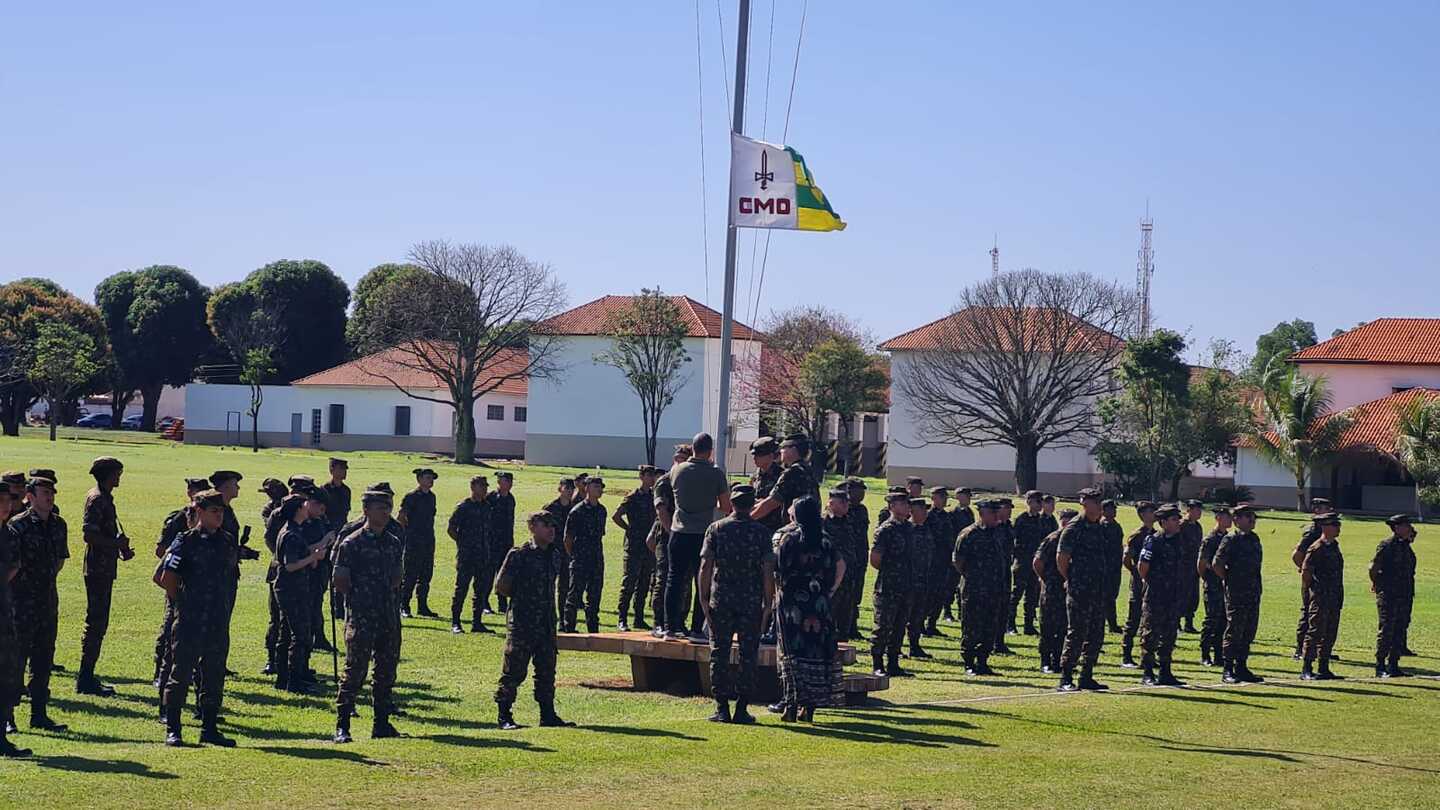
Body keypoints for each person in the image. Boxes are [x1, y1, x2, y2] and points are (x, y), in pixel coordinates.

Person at [157, 489, 235, 747]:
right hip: (190, 618)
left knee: (214, 673)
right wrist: (181, 601)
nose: (219, 516)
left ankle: (209, 727)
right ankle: (173, 727)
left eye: (221, 511)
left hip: (217, 618)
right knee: (181, 673)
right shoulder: (185, 541)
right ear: (199, 512)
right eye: (214, 511)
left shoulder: (226, 541)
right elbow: (166, 577)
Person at [699, 484, 775, 724]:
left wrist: (703, 597)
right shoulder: (762, 533)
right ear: (752, 505)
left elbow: (705, 566)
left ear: (732, 503)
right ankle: (742, 708)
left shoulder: (716, 529)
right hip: (751, 601)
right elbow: (767, 571)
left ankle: (721, 707)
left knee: (719, 653)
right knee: (748, 654)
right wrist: (768, 603)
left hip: (721, 599)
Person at [333, 489, 405, 743]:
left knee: (386, 671)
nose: (386, 513)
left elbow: (398, 577)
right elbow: (340, 580)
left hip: (388, 615)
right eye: (379, 508)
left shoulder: (393, 542)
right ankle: (343, 725)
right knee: (355, 671)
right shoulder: (351, 543)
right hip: (362, 616)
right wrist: (360, 598)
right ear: (366, 511)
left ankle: (381, 723)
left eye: (388, 508)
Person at [494, 511, 573, 730]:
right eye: (545, 525)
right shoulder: (519, 555)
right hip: (523, 622)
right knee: (514, 671)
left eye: (553, 525)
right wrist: (525, 601)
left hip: (546, 623)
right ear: (532, 527)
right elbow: (502, 586)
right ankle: (504, 715)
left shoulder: (555, 555)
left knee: (547, 670)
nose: (551, 529)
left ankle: (547, 714)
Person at [773, 495, 845, 722]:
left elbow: (777, 569)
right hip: (819, 604)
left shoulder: (789, 539)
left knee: (792, 654)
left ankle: (791, 706)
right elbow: (839, 567)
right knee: (816, 652)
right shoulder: (826, 541)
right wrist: (829, 591)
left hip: (792, 604)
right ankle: (809, 709)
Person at [9, 476, 69, 732]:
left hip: (47, 601)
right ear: (29, 497)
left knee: (44, 658)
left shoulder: (58, 525)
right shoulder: (17, 526)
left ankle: (39, 713)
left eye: (52, 493)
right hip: (21, 603)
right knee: (15, 661)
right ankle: (7, 717)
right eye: (44, 492)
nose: (49, 497)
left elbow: (59, 560)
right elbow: (11, 565)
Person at [664, 433, 732, 641]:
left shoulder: (677, 470)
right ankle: (697, 629)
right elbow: (726, 506)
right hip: (703, 533)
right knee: (702, 580)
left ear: (692, 448)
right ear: (710, 450)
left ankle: (671, 627)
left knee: (674, 579)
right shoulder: (716, 474)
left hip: (678, 531)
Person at [77, 456, 133, 697]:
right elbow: (89, 535)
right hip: (98, 570)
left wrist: (119, 547)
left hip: (104, 568)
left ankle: (87, 675)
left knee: (99, 623)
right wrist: (115, 543)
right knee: (96, 623)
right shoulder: (98, 499)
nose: (119, 477)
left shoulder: (104, 498)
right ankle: (85, 677)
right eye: (116, 473)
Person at [154, 478, 208, 707]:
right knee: (172, 655)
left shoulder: (213, 541)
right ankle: (166, 706)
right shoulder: (181, 541)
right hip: (182, 608)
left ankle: (201, 706)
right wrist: (179, 599)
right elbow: (160, 576)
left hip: (205, 610)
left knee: (203, 660)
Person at [272, 493, 330, 693]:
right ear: (298, 509)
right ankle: (294, 682)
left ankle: (284, 678)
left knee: (286, 634)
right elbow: (290, 565)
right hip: (292, 589)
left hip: (292, 588)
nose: (308, 507)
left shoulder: (293, 530)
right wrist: (312, 557)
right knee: (300, 635)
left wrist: (315, 553)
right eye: (305, 505)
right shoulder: (291, 534)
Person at [1056, 488, 1110, 692]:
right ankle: (1066, 676)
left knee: (1096, 633)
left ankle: (1086, 675)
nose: (1099, 506)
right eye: (1095, 503)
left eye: (1100, 502)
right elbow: (1062, 559)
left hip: (1098, 589)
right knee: (1077, 632)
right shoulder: (1074, 527)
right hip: (1080, 589)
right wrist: (1071, 579)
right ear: (1085, 504)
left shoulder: (1100, 527)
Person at [953, 498, 1008, 676]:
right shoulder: (969, 534)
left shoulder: (999, 532)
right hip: (974, 588)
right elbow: (958, 561)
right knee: (971, 626)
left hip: (994, 588)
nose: (996, 516)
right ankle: (969, 663)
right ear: (983, 514)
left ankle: (983, 661)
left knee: (990, 626)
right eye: (993, 513)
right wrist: (972, 576)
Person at [1211, 504, 1264, 684]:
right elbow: (1217, 564)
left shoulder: (1254, 539)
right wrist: (1229, 580)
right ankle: (1228, 669)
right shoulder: (1230, 539)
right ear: (1236, 520)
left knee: (1249, 631)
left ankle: (1241, 666)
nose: (1252, 520)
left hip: (1253, 592)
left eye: (1253, 516)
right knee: (1234, 630)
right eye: (1247, 516)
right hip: (1236, 592)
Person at [1138, 504, 1186, 686]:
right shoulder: (1153, 541)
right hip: (1156, 595)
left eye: (1178, 519)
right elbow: (1142, 567)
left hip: (1173, 594)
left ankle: (1165, 671)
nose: (1178, 522)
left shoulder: (1180, 540)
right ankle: (1148, 672)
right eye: (1174, 519)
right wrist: (1152, 583)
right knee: (1151, 633)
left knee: (1169, 633)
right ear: (1163, 522)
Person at [869, 489, 914, 677]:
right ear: (892, 507)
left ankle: (893, 663)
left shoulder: (909, 528)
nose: (906, 507)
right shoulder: (885, 530)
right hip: (888, 586)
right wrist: (891, 572)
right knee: (883, 626)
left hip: (906, 585)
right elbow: (875, 559)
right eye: (902, 504)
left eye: (906, 503)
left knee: (899, 626)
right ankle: (878, 663)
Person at [0, 485, 30, 757]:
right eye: (1, 502)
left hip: (4, 612)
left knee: (7, 673)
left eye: (8, 502)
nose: (6, 507)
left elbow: (14, 565)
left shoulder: (8, 533)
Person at [1370, 514, 1418, 678]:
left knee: (1400, 628)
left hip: (1404, 594)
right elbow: (1374, 567)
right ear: (1397, 528)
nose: (1409, 528)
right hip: (1389, 594)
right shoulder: (1387, 545)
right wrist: (1376, 584)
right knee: (1387, 629)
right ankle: (1380, 664)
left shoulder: (1405, 546)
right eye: (1406, 525)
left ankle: (1394, 664)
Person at [1300, 512, 1345, 680]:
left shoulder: (1334, 546)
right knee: (1315, 631)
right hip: (1320, 597)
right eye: (1335, 525)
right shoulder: (1316, 548)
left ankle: (1323, 666)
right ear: (1325, 527)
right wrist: (1313, 591)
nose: (1338, 528)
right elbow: (1306, 572)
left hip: (1334, 596)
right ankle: (1307, 667)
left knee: (1330, 632)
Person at [613, 465, 658, 631]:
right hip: (634, 545)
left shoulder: (654, 497)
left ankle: (638, 617)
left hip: (649, 545)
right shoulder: (632, 497)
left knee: (644, 582)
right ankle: (622, 618)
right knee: (629, 582)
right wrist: (628, 529)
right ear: (641, 476)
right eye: (648, 475)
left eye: (653, 475)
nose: (652, 478)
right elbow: (616, 516)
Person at [1033, 508, 1077, 674]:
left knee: (1064, 627)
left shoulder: (1076, 539)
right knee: (1048, 626)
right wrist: (1046, 579)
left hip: (1069, 589)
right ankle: (1045, 660)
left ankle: (1058, 659)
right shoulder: (1053, 539)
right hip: (1052, 588)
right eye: (1065, 520)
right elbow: (1037, 562)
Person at [563, 477, 608, 633]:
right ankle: (569, 627)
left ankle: (593, 628)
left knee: (595, 595)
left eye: (601, 487)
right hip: (580, 558)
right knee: (575, 594)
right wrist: (574, 556)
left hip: (596, 558)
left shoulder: (602, 510)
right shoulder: (577, 511)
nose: (599, 490)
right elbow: (568, 539)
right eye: (596, 486)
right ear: (587, 488)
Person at [448, 475, 492, 634]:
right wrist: (462, 543)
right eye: (481, 486)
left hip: (483, 555)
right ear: (473, 487)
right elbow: (451, 528)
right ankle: (456, 622)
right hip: (467, 555)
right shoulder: (464, 507)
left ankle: (477, 623)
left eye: (486, 486)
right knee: (461, 589)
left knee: (480, 590)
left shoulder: (487, 507)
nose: (485, 489)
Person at [1291, 497, 1333, 659]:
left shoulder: (1325, 529)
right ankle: (1301, 649)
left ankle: (1318, 648)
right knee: (1308, 612)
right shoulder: (1313, 531)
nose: (1329, 511)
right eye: (1325, 508)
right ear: (1317, 510)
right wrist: (1305, 569)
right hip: (1312, 580)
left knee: (1321, 614)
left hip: (1324, 580)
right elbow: (1296, 554)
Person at [1119, 502, 1157, 668]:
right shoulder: (1137, 536)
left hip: (1152, 583)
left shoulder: (1156, 534)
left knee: (1149, 621)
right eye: (1151, 511)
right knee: (1133, 619)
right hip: (1138, 583)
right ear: (1143, 515)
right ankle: (1126, 655)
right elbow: (1126, 559)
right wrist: (1135, 572)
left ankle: (1147, 655)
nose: (1154, 514)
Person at [398, 468, 439, 618]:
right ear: (419, 479)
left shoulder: (432, 497)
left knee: (426, 575)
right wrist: (406, 536)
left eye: (432, 478)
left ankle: (422, 605)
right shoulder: (411, 497)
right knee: (410, 575)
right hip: (414, 541)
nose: (431, 481)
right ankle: (404, 605)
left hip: (428, 540)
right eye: (428, 478)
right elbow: (402, 517)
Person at [1196, 506, 1233, 667]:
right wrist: (1207, 579)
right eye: (1226, 517)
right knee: (1211, 619)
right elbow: (1202, 563)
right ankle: (1205, 653)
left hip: (1225, 585)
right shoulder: (1210, 539)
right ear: (1218, 518)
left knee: (1224, 620)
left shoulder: (1229, 537)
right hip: (1213, 584)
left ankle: (1218, 654)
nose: (1230, 520)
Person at [1008, 491, 1046, 637]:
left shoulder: (1042, 520)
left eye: (1041, 501)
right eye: (1038, 501)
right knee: (1017, 593)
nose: (1040, 504)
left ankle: (1028, 625)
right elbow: (1014, 540)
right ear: (1029, 502)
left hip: (1035, 562)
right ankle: (1010, 624)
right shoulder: (1021, 519)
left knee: (1032, 595)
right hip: (1022, 561)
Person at [544, 476, 579, 627]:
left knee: (564, 588)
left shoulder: (575, 508)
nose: (569, 491)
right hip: (552, 552)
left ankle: (563, 621)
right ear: (560, 489)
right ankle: (547, 618)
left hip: (568, 553)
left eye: (572, 489)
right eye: (566, 488)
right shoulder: (550, 509)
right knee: (548, 586)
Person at [823, 488, 856, 640]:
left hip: (849, 577)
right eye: (841, 502)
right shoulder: (823, 523)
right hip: (830, 577)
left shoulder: (849, 522)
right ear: (830, 503)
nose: (845, 505)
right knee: (828, 615)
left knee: (845, 616)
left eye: (846, 502)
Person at [940, 487, 975, 624]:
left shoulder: (969, 513)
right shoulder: (953, 514)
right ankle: (947, 610)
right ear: (958, 497)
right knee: (951, 583)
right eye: (965, 496)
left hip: (967, 553)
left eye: (969, 496)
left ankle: (961, 610)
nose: (968, 499)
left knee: (962, 583)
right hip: (956, 552)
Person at [922, 486, 954, 637]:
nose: (944, 500)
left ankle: (932, 624)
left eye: (945, 498)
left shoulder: (946, 516)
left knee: (940, 594)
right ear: (934, 499)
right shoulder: (927, 516)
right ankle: (920, 623)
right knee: (927, 594)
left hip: (944, 560)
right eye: (941, 498)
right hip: (931, 561)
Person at [486, 471, 518, 613]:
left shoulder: (510, 499)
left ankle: (502, 603)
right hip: (492, 541)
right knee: (488, 573)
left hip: (506, 541)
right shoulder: (491, 498)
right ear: (499, 482)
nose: (509, 484)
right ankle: (484, 603)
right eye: (506, 481)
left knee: (504, 573)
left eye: (510, 481)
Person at [844, 477, 872, 640]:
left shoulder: (862, 510)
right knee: (844, 595)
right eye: (858, 490)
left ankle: (852, 626)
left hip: (860, 557)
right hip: (846, 558)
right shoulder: (843, 508)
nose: (861, 494)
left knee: (856, 594)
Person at [1177, 499, 1204, 634]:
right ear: (1189, 510)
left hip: (1194, 567)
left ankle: (1189, 623)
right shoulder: (1181, 525)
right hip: (1182, 566)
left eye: (1200, 510)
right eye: (1196, 510)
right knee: (1179, 594)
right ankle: (1176, 623)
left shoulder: (1198, 527)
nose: (1199, 513)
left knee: (1192, 596)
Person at [749, 437, 784, 537]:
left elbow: (777, 502)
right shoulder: (755, 476)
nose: (754, 458)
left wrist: (760, 502)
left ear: (770, 456)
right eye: (754, 455)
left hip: (773, 527)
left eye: (759, 455)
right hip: (756, 526)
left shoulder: (781, 475)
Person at [1099, 499, 1125, 633]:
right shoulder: (1100, 526)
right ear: (1102, 511)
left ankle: (1112, 624)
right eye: (1109, 509)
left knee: (1112, 596)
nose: (1113, 511)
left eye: (1114, 509)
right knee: (1104, 597)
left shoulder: (1116, 526)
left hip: (1115, 567)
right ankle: (1104, 624)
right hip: (1104, 567)